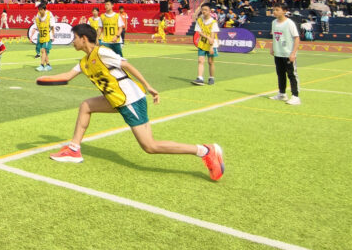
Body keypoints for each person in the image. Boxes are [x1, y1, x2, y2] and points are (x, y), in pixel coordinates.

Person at [47, 24, 225, 181]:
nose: (73, 41)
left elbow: (126, 65)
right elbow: (67, 76)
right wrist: (43, 79)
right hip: (117, 99)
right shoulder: (84, 61)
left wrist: (148, 86)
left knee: (150, 146)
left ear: (84, 39)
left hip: (129, 99)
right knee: (86, 106)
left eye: (75, 38)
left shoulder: (102, 52)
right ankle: (74, 149)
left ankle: (205, 151)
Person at [269, 4, 301, 105]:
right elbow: (274, 36)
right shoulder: (274, 22)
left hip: (288, 54)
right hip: (278, 53)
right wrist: (272, 47)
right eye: (274, 10)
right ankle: (282, 94)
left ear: (284, 11)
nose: (274, 12)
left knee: (292, 75)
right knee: (280, 74)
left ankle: (295, 96)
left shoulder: (289, 23)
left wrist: (293, 53)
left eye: (277, 10)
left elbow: (297, 38)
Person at [192, 5, 219, 86]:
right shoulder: (199, 20)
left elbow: (212, 35)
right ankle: (200, 78)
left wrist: (211, 47)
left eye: (206, 10)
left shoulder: (213, 22)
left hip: (212, 44)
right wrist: (207, 37)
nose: (204, 11)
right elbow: (199, 32)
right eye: (202, 9)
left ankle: (211, 77)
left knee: (210, 62)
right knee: (200, 60)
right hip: (202, 43)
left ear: (210, 11)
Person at [33, 3, 55, 72]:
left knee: (43, 50)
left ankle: (42, 65)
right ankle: (48, 65)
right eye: (39, 10)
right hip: (42, 35)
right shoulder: (38, 15)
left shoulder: (49, 14)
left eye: (41, 10)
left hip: (48, 35)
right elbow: (37, 24)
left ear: (44, 10)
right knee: (44, 51)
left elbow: (52, 26)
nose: (40, 11)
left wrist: (53, 35)